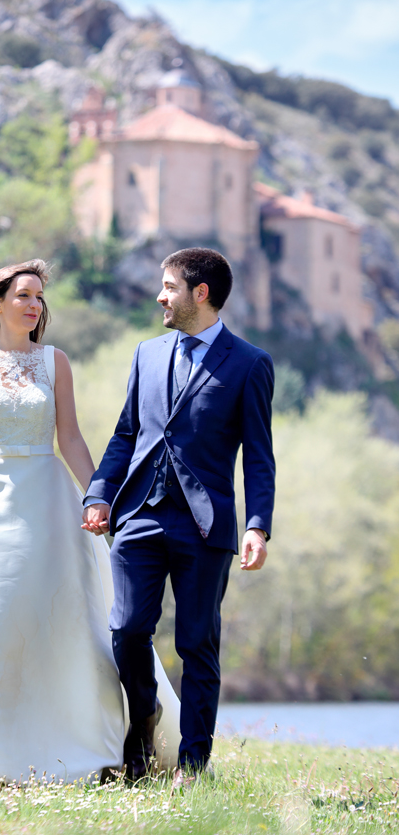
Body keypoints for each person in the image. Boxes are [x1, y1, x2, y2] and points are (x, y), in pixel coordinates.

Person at [0, 259, 180, 783]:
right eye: (24, 295)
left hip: (47, 500)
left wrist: (101, 499)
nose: (35, 305)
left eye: (40, 297)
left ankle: (82, 745)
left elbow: (72, 438)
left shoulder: (55, 362)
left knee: (59, 620)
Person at [82, 247, 275, 785]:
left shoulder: (250, 363)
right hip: (138, 514)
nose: (160, 296)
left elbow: (259, 455)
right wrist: (99, 493)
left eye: (169, 286)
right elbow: (126, 435)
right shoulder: (146, 353)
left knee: (197, 644)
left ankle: (193, 765)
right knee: (126, 630)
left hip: (205, 526)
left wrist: (258, 524)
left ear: (201, 294)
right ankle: (144, 719)